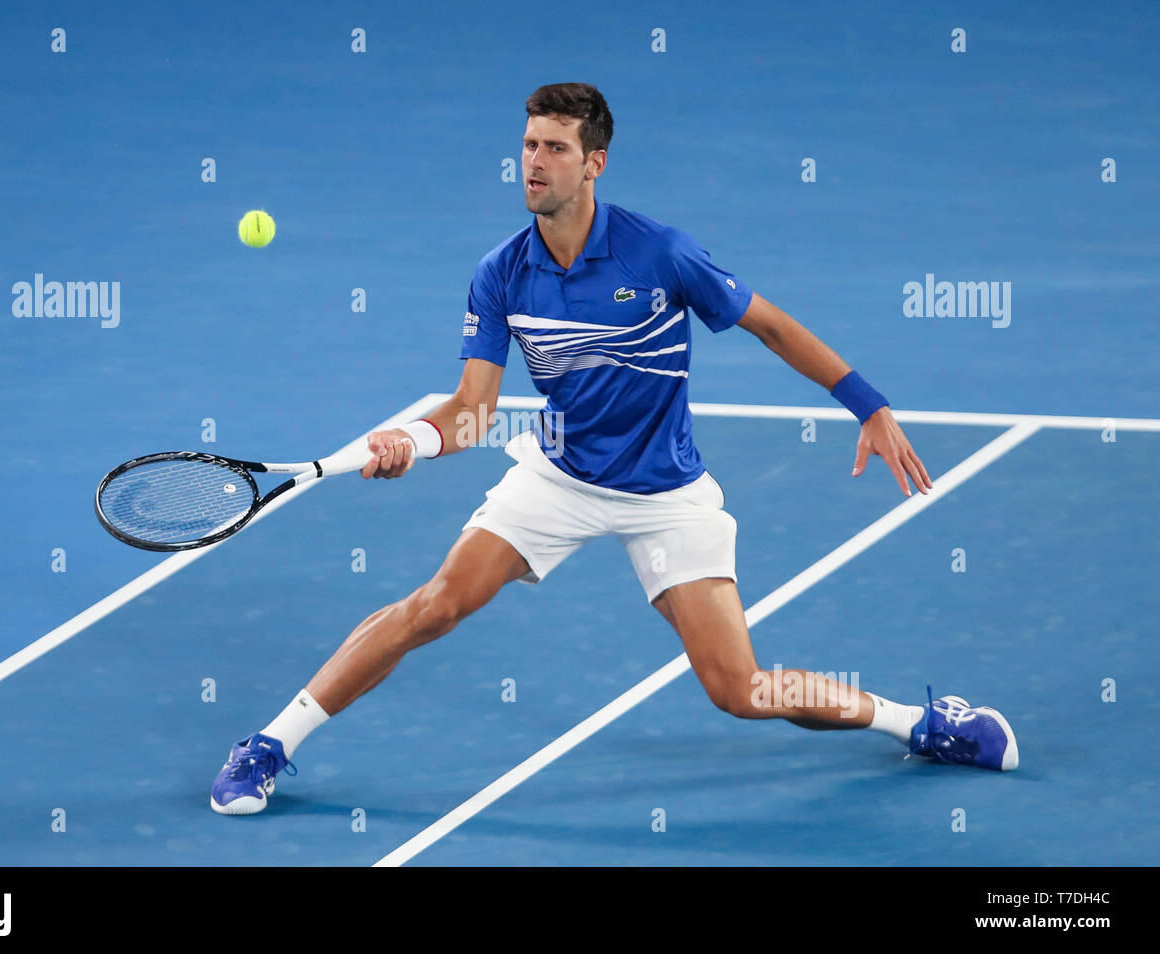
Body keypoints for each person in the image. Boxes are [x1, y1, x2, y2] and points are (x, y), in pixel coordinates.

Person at [211, 82, 1018, 816]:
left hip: (665, 491)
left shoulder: (659, 253)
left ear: (593, 163)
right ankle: (270, 745)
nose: (534, 162)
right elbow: (471, 414)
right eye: (528, 145)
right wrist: (411, 445)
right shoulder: (501, 274)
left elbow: (768, 323)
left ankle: (920, 721)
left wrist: (867, 405)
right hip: (560, 474)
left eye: (554, 148)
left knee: (738, 688)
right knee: (435, 606)